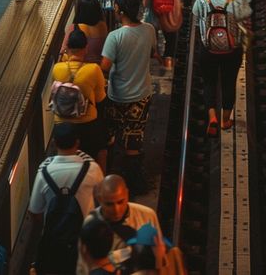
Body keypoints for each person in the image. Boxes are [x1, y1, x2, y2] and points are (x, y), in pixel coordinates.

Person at [28, 123, 103, 275]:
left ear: (54, 143)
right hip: (85, 241)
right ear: (77, 142)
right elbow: (102, 199)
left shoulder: (44, 173)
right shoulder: (93, 170)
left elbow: (35, 211)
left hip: (54, 243)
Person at [101, 0, 156, 193]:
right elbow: (152, 53)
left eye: (115, 8)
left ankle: (110, 178)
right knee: (134, 138)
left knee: (111, 135)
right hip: (141, 95)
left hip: (118, 96)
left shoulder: (115, 37)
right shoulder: (149, 29)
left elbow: (105, 66)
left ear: (120, 11)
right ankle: (135, 182)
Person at [193, 0, 252, 136]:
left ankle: (212, 117)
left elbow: (197, 23)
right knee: (228, 82)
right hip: (231, 51)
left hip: (208, 50)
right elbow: (245, 19)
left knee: (209, 82)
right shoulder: (237, 1)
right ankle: (225, 120)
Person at [76, 175, 165, 275]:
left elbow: (160, 254)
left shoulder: (147, 216)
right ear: (99, 199)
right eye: (109, 204)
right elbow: (82, 266)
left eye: (120, 202)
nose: (116, 210)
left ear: (127, 195)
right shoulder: (91, 222)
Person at [52, 26, 107, 171]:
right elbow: (101, 98)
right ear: (86, 48)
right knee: (102, 148)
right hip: (87, 124)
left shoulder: (57, 68)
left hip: (61, 122)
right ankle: (100, 179)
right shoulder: (93, 69)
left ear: (68, 48)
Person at [60, 0, 108, 65]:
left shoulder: (74, 27)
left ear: (80, 10)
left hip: (81, 67)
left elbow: (63, 49)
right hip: (99, 66)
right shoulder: (103, 26)